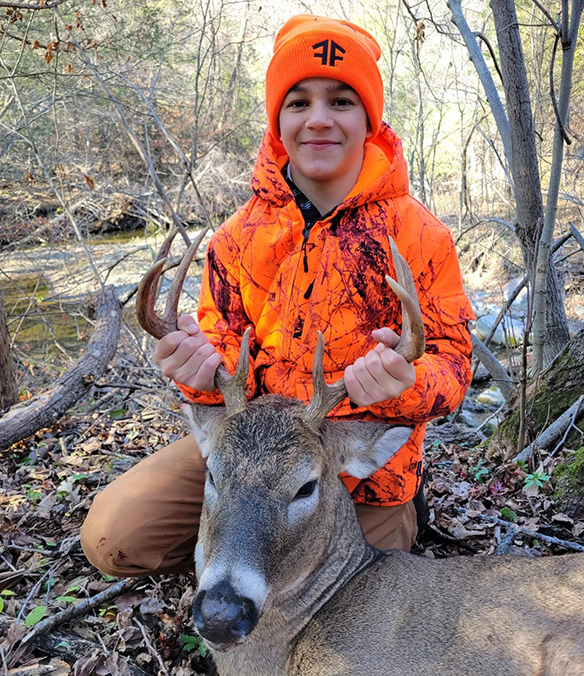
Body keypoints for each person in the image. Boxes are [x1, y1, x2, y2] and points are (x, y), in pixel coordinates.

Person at [81, 14, 474, 577]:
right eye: (298, 102)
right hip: (247, 452)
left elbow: (453, 365)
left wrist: (406, 384)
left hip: (356, 460)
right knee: (113, 538)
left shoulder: (420, 237)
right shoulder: (239, 238)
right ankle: (239, 541)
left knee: (344, 603)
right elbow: (219, 343)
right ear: (277, 121)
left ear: (368, 119)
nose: (318, 120)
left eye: (341, 101)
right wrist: (197, 367)